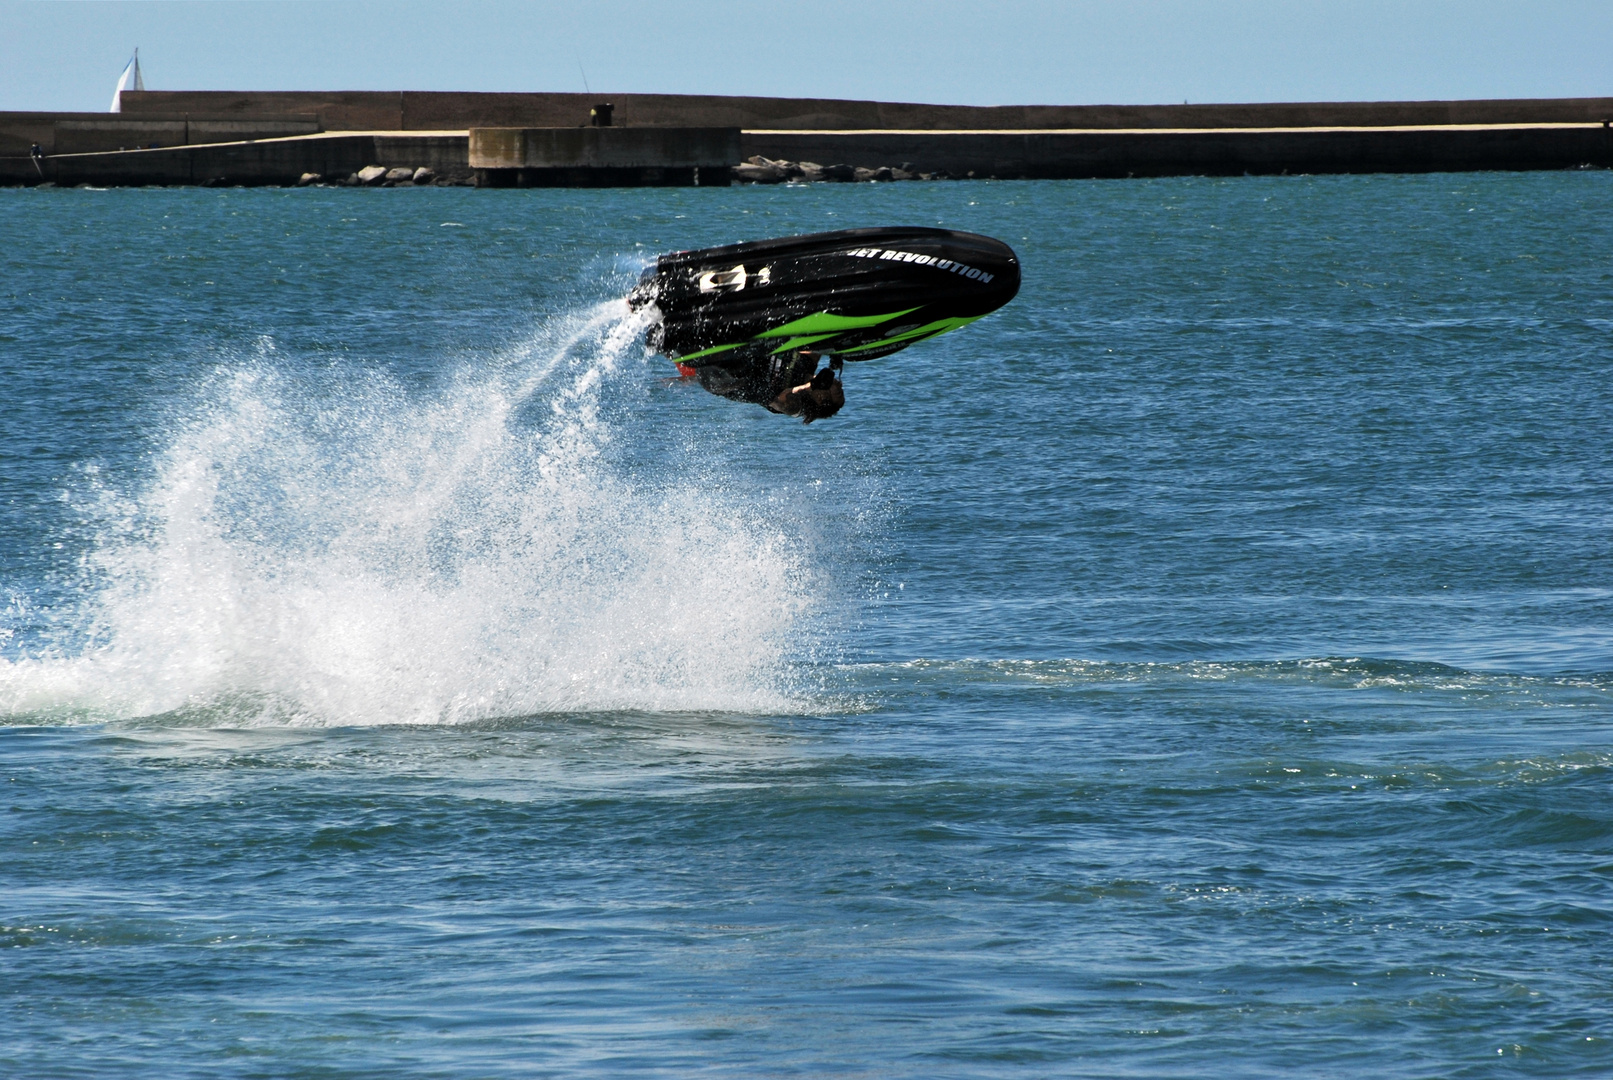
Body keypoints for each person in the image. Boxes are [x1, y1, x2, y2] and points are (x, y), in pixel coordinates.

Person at [691, 348, 845, 423]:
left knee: (743, 368)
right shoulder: (808, 363)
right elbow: (816, 343)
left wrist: (810, 386)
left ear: (820, 398)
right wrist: (834, 350)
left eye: (838, 393)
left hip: (719, 379)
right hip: (743, 350)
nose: (839, 386)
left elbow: (782, 399)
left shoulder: (796, 407)